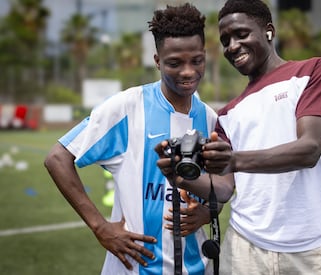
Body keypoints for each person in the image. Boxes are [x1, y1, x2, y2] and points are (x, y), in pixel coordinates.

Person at [156, 0, 321, 274]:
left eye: (241, 34)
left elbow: (309, 150)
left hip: (313, 248)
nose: (232, 46)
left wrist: (233, 159)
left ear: (269, 31)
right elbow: (224, 189)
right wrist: (181, 177)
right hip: (243, 249)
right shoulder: (226, 114)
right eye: (226, 40)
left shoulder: (312, 72)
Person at [44, 3, 222, 274]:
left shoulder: (209, 117)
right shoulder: (128, 107)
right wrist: (100, 227)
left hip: (196, 266)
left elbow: (219, 186)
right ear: (157, 61)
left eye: (196, 60)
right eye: (175, 63)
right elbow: (57, 158)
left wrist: (209, 211)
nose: (188, 72)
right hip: (134, 267)